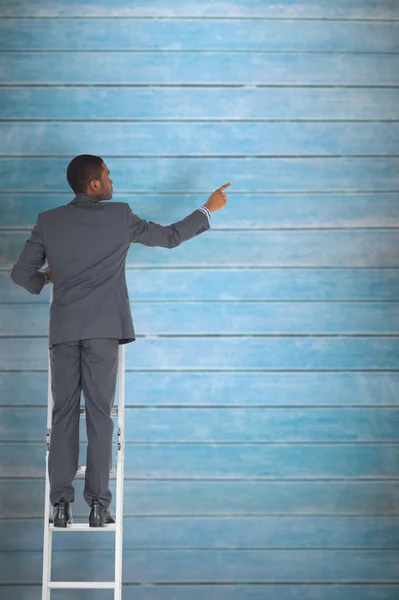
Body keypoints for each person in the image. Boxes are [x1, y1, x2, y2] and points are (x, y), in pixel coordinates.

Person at [10, 154, 231, 527]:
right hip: (103, 333)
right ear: (94, 185)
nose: (113, 182)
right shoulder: (119, 216)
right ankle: (98, 505)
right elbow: (170, 237)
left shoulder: (49, 221)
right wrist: (207, 209)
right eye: (108, 176)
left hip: (63, 332)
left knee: (63, 415)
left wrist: (46, 279)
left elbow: (20, 274)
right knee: (99, 416)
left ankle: (60, 506)